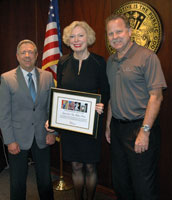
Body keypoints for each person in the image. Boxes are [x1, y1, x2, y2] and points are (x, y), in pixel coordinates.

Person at [105, 14, 167, 200]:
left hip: (140, 129)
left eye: (119, 31)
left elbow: (156, 97)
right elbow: (112, 96)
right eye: (110, 33)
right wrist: (108, 125)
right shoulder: (110, 61)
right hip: (117, 129)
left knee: (143, 188)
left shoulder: (147, 57)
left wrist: (145, 131)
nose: (115, 37)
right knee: (121, 184)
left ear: (130, 32)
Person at [49, 21, 110, 200]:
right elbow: (59, 92)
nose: (76, 40)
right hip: (70, 124)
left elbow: (106, 92)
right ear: (68, 40)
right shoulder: (63, 62)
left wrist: (102, 105)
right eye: (72, 36)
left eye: (80, 35)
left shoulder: (99, 62)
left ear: (88, 38)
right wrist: (54, 117)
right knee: (75, 166)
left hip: (91, 124)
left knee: (90, 166)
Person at [0, 39, 56, 200]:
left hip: (43, 135)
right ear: (17, 56)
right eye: (23, 52)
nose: (27, 55)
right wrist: (9, 141)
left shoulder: (47, 76)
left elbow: (52, 108)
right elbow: (4, 114)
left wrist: (53, 132)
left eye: (31, 52)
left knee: (45, 180)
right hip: (17, 138)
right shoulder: (7, 78)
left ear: (37, 55)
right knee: (17, 182)